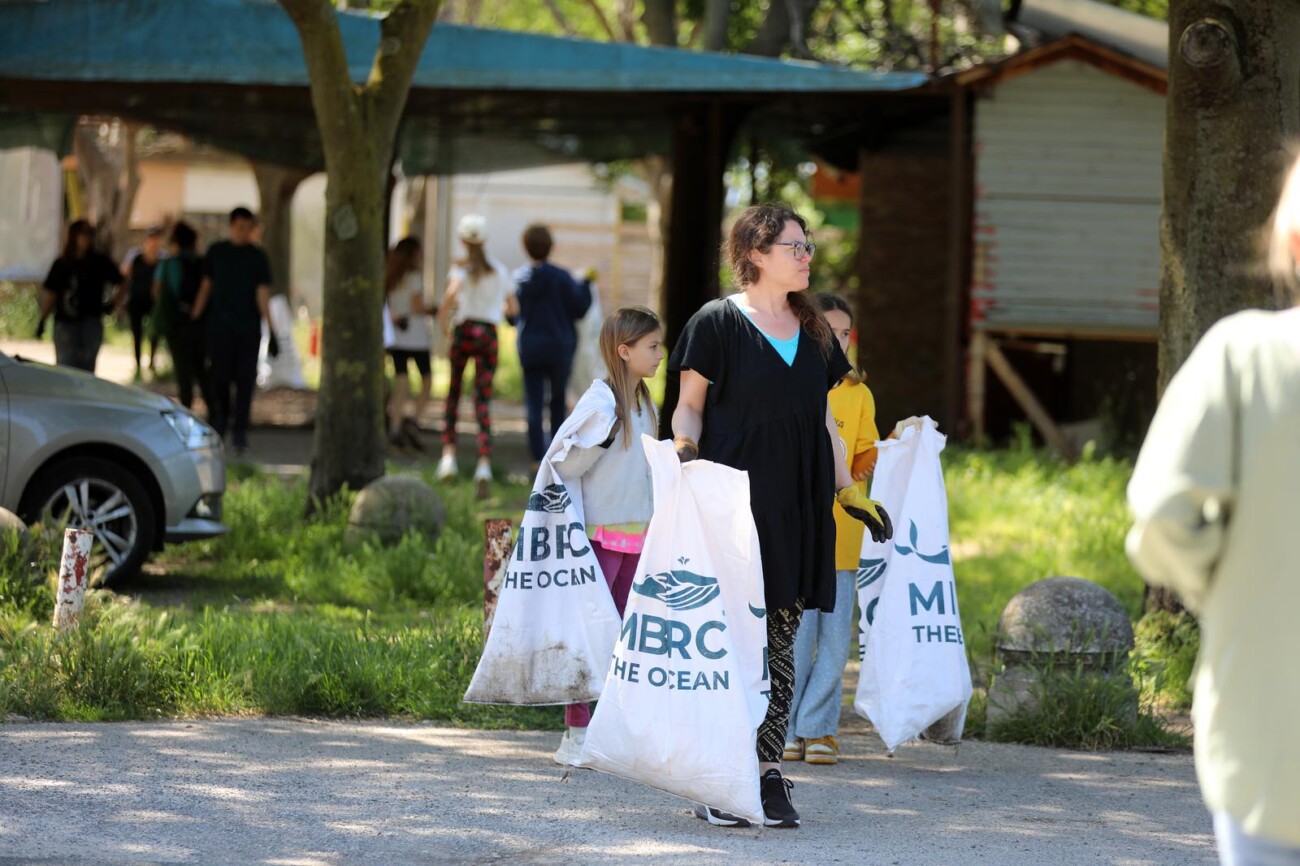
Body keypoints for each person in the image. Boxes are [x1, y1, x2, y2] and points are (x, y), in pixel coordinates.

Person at [669, 203, 892, 829]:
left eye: (807, 244)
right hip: (733, 506)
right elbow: (689, 408)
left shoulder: (816, 329)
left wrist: (848, 489)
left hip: (799, 507)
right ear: (756, 253)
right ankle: (719, 773)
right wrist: (685, 456)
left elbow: (823, 420)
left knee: (781, 643)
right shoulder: (716, 323)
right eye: (794, 245)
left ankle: (767, 774)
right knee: (735, 642)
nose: (806, 255)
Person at [1127, 156, 1300, 866]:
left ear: (1291, 242)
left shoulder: (1243, 354)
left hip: (1271, 724)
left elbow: (1166, 514)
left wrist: (1222, 591)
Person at [550, 306, 663, 766]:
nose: (660, 355)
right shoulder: (600, 403)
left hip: (640, 533)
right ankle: (574, 733)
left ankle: (610, 729)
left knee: (625, 637)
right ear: (625, 350)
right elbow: (565, 463)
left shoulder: (646, 403)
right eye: (652, 346)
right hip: (600, 536)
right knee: (591, 633)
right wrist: (598, 437)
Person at [784, 293, 880, 767]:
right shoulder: (792, 381)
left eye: (845, 333)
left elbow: (865, 452)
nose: (838, 340)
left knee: (836, 641)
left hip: (844, 539)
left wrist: (886, 452)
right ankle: (783, 727)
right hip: (800, 537)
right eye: (829, 331)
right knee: (795, 639)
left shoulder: (858, 394)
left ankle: (818, 729)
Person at [191, 207, 277, 457]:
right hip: (220, 328)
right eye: (240, 227)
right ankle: (221, 419)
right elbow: (206, 287)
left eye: (248, 228)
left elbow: (262, 294)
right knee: (219, 378)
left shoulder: (258, 257)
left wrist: (272, 328)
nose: (243, 232)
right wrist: (194, 316)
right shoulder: (217, 253)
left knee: (245, 380)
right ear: (231, 226)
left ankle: (240, 430)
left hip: (248, 329)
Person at [436, 215, 512, 496]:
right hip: (489, 333)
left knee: (453, 393)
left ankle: (448, 458)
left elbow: (447, 303)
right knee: (482, 398)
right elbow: (513, 307)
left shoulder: (460, 272)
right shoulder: (500, 271)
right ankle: (483, 464)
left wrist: (446, 332)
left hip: (464, 330)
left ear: (462, 241)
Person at [510, 224, 594, 467]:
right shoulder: (562, 277)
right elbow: (580, 309)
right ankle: (557, 455)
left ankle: (538, 457)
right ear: (551, 247)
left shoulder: (519, 280)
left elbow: (511, 316)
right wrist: (587, 284)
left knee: (534, 402)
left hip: (530, 347)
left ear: (525, 247)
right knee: (558, 402)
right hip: (559, 347)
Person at [36, 220, 124, 373]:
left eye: (89, 234)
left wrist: (112, 304)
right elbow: (52, 294)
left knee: (86, 371)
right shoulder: (62, 264)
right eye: (83, 234)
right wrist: (42, 320)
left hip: (90, 322)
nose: (86, 238)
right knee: (65, 369)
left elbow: (122, 282)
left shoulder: (99, 262)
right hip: (65, 324)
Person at [383, 237, 434, 453]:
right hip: (416, 337)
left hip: (397, 336)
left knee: (401, 381)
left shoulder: (390, 277)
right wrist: (432, 309)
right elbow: (416, 306)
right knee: (426, 380)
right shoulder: (414, 278)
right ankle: (413, 419)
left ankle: (395, 427)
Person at [152, 221, 210, 411]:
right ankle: (214, 409)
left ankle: (187, 409)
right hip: (199, 323)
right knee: (201, 368)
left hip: (176, 324)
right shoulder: (203, 264)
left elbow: (157, 290)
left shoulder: (169, 263)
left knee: (183, 371)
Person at [120, 226, 164, 378]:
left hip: (154, 303)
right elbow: (124, 277)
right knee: (137, 333)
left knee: (154, 333)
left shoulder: (163, 260)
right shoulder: (135, 258)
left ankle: (152, 363)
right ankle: (138, 365)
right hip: (136, 300)